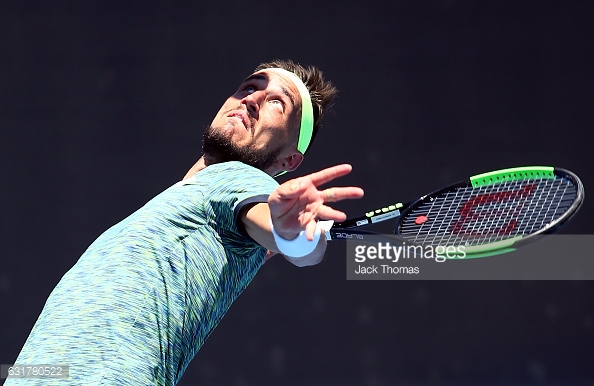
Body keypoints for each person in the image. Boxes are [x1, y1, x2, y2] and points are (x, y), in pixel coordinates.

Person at [6, 59, 364, 385]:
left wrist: (293, 236)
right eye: (250, 87)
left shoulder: (238, 179)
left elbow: (292, 239)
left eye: (276, 102)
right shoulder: (188, 202)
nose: (252, 99)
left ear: (289, 160)